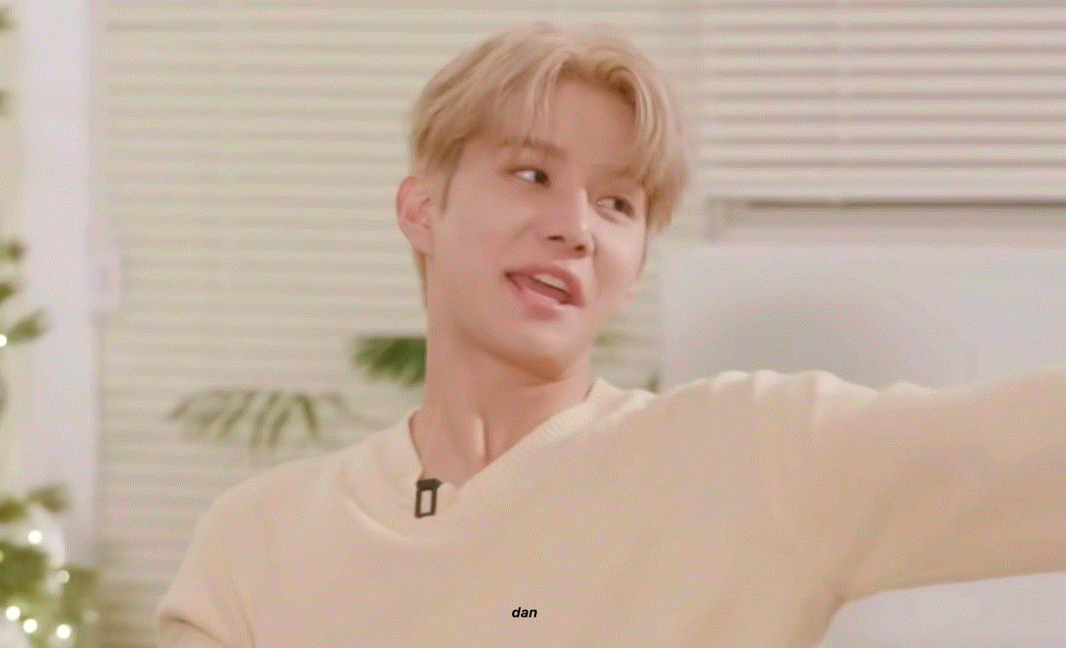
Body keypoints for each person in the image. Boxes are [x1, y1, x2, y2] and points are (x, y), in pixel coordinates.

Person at [157, 21, 1066, 648]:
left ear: (632, 268)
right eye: (530, 174)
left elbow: (1023, 449)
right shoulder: (254, 542)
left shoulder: (751, 456)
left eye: (617, 203)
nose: (575, 227)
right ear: (422, 210)